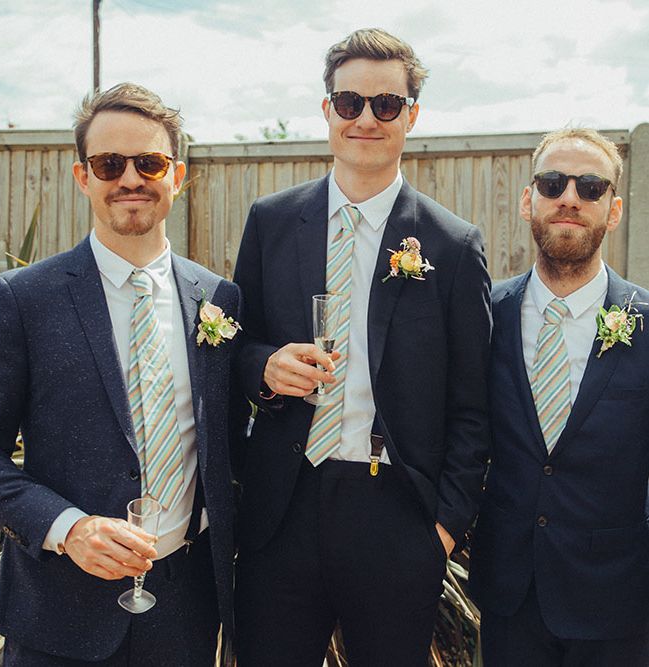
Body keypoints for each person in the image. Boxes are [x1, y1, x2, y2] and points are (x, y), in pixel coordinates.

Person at [0, 83, 246, 666]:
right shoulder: (25, 299)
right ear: (84, 178)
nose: (130, 178)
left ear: (176, 176)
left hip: (184, 615)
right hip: (59, 617)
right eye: (109, 163)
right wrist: (68, 528)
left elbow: (229, 441)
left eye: (149, 162)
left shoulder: (217, 299)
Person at [232, 28, 491, 667]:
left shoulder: (453, 247)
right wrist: (263, 366)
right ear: (327, 111)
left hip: (396, 516)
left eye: (385, 104)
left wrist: (443, 530)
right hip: (282, 509)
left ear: (411, 116)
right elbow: (234, 348)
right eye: (350, 103)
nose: (366, 119)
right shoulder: (269, 221)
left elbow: (473, 406)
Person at [469, 128, 649, 666]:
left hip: (619, 603)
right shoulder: (485, 316)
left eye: (590, 187)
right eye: (552, 183)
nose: (569, 197)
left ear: (613, 211)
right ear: (529, 200)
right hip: (510, 596)